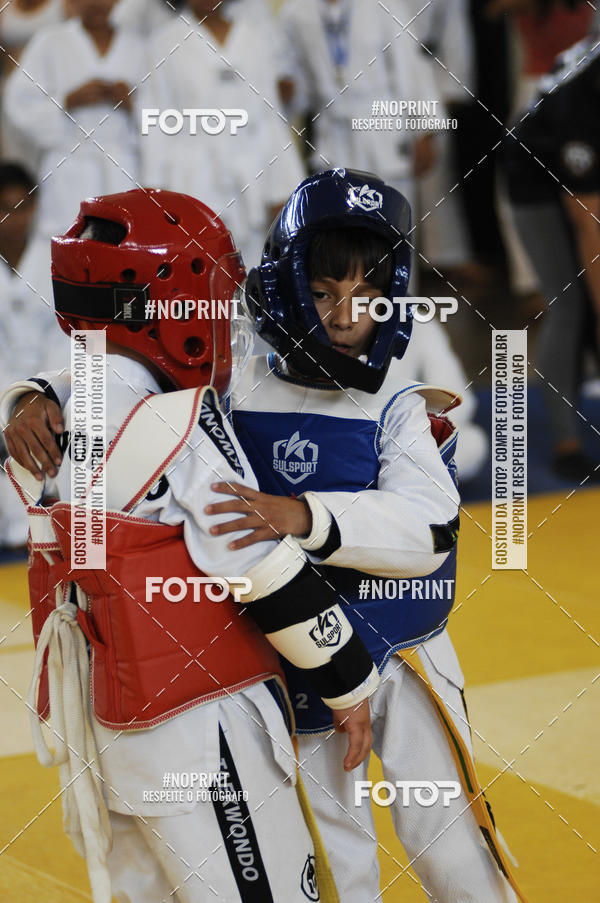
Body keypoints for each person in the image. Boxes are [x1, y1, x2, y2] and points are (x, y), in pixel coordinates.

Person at [1, 187, 379, 903]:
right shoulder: (177, 423)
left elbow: (85, 386)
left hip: (103, 725)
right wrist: (349, 681)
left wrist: (23, 395)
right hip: (201, 727)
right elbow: (260, 564)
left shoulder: (38, 421)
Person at [204, 170, 527, 903]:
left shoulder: (396, 398)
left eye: (366, 294)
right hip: (294, 654)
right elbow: (130, 367)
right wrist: (35, 394)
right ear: (287, 284)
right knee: (331, 847)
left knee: (447, 831)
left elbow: (432, 526)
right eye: (324, 292)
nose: (347, 314)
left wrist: (304, 516)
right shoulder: (235, 370)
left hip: (403, 648)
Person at [139, 0, 305, 267]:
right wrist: (157, 196)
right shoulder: (163, 43)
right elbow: (154, 124)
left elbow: (270, 118)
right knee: (198, 274)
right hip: (191, 180)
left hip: (251, 179)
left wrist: (281, 190)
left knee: (249, 273)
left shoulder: (255, 40)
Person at [502, 34, 600, 482]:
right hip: (533, 183)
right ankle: (567, 444)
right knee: (571, 306)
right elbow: (589, 224)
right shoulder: (583, 101)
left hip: (577, 175)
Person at [3, 0, 146, 242]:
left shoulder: (139, 47)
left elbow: (164, 112)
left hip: (123, 168)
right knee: (67, 247)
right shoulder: (50, 42)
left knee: (124, 249)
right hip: (69, 167)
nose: (97, 4)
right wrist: (67, 100)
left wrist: (133, 103)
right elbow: (17, 103)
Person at [0, 161, 68, 548]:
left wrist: (40, 393)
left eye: (21, 207)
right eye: (4, 209)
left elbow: (69, 337)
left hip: (50, 396)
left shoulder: (56, 262)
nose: (14, 220)